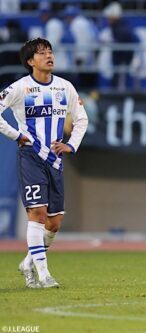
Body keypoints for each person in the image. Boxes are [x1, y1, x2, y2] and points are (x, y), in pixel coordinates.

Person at [0, 38, 88, 288]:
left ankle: (28, 262)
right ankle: (43, 275)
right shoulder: (19, 88)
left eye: (50, 52)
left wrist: (71, 145)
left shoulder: (65, 87)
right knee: (37, 214)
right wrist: (16, 135)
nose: (49, 56)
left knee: (54, 222)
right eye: (41, 53)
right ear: (30, 61)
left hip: (55, 160)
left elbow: (82, 119)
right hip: (30, 156)